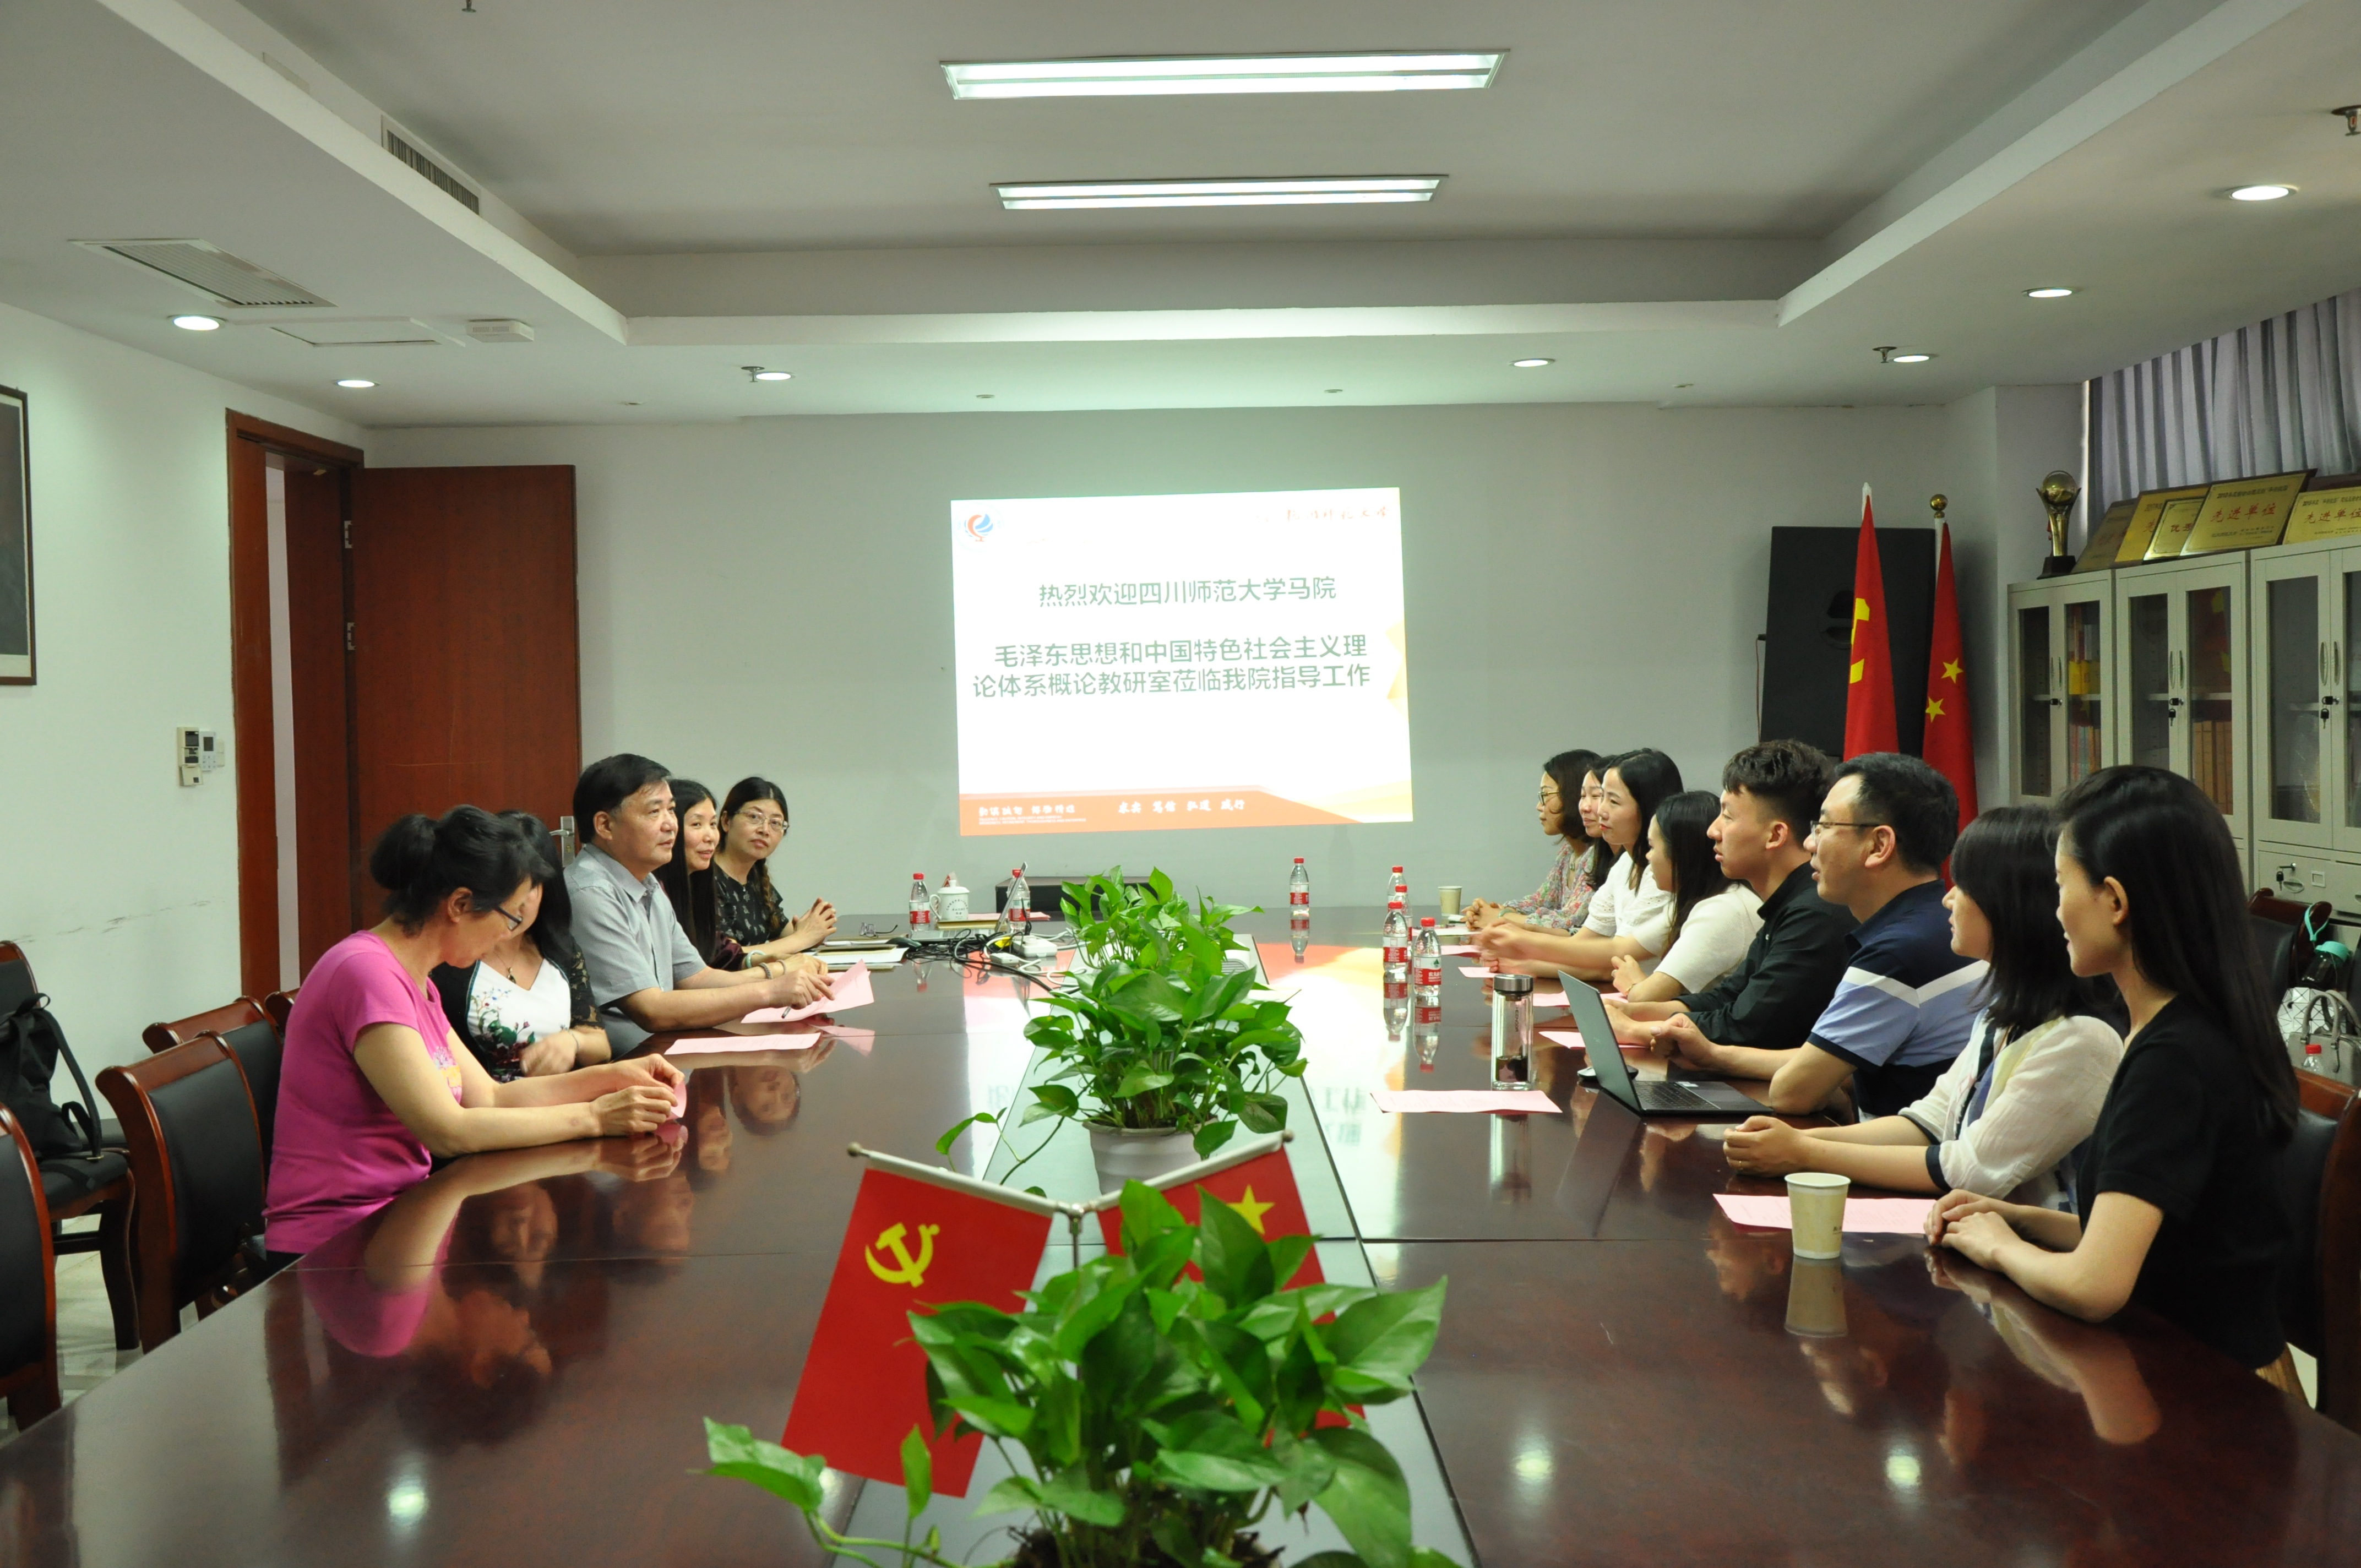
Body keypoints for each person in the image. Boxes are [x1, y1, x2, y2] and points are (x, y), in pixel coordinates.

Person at [1931, 765, 2301, 1377]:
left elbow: (2094, 1285)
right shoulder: (2179, 1027)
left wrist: (1998, 1247)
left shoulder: (2175, 1058)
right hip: (2171, 1360)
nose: (2054, 911)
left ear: (2115, 901)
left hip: (2213, 1390)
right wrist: (2017, 1219)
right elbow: (2143, 1236)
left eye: (2060, 886)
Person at [264, 807, 687, 1261]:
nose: (508, 935)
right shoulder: (366, 973)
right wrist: (596, 1119)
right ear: (461, 905)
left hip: (403, 1217)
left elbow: (489, 1097)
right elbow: (448, 1131)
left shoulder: (415, 980)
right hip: (336, 1241)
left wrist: (613, 1078)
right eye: (509, 918)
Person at [1723, 805, 2123, 1201]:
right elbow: (1929, 1123)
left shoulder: (2081, 1036)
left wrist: (1805, 1153)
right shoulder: (2004, 1014)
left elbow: (1970, 1169)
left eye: (1963, 886)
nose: (1948, 900)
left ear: (2011, 904)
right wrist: (1795, 1141)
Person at [1657, 752, 1979, 1117]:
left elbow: (1792, 1092)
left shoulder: (1896, 953)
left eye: (1824, 827)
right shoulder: (1940, 923)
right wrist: (1715, 1055)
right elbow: (1835, 1066)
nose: (1810, 843)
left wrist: (1718, 1057)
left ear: (1879, 846)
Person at [564, 754, 832, 1055]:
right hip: (627, 1062)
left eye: (671, 810)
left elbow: (697, 978)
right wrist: (771, 990)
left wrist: (778, 975)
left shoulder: (647, 882)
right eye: (654, 812)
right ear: (605, 825)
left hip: (666, 1047)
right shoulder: (590, 892)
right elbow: (652, 1010)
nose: (671, 825)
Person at [1607, 739, 1853, 1055]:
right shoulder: (1787, 903)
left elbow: (1748, 1026)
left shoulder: (1814, 913)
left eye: (1727, 816)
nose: (1713, 830)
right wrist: (1634, 1012)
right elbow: (1727, 997)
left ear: (1775, 835)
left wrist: (1635, 1030)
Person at [1476, 749, 1682, 983]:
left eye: (1612, 801)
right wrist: (1521, 954)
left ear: (1649, 808)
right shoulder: (1625, 863)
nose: (1599, 810)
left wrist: (1525, 944)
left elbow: (1615, 955)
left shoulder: (1663, 873)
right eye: (1598, 798)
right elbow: (1584, 942)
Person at [433, 812, 611, 1081]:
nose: (519, 904)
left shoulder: (558, 946)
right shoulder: (455, 955)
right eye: (509, 886)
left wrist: (573, 1041)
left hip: (564, 1096)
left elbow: (601, 1045)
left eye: (532, 886)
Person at [1608, 790, 1761, 1001]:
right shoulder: (1702, 900)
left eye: (1652, 847)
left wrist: (1634, 984)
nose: (1648, 857)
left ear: (1681, 854)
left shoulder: (1724, 909)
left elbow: (1646, 997)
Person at [1464, 749, 1613, 933]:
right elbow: (1541, 901)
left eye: (1546, 796)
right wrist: (1497, 911)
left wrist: (1502, 917)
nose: (1539, 806)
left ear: (1571, 796)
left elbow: (1569, 921)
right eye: (1584, 796)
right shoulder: (1568, 852)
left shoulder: (1600, 854)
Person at [712, 776, 837, 962]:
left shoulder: (756, 878)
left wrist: (811, 932)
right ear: (726, 821)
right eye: (754, 817)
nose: (765, 830)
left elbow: (786, 936)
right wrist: (800, 939)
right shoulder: (705, 878)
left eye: (776, 823)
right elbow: (728, 958)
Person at [653, 778, 729, 966]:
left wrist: (761, 961)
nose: (710, 837)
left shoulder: (697, 883)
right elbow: (685, 976)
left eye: (713, 824)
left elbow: (717, 951)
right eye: (697, 824)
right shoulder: (655, 892)